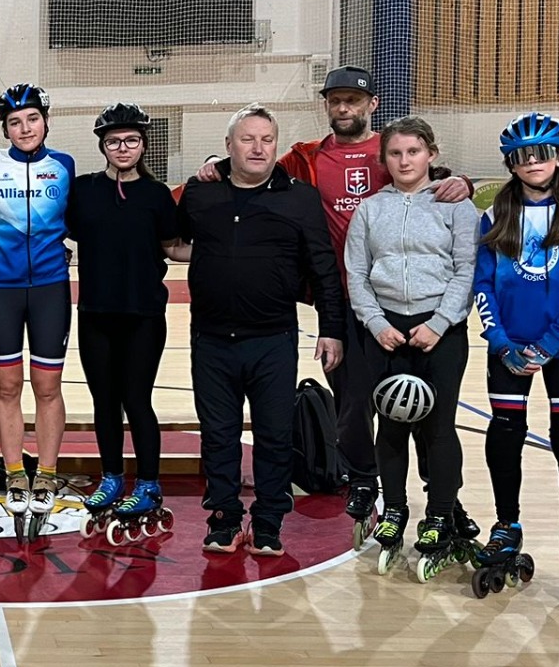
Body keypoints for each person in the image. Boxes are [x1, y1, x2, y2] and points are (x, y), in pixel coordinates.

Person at [194, 65, 472, 524]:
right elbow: (252, 164)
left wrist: (460, 180)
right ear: (326, 105)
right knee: (352, 402)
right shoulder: (305, 158)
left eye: (353, 100)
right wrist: (215, 163)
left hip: (400, 301)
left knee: (421, 404)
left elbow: (429, 179)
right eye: (335, 100)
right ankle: (362, 480)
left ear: (372, 104)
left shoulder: (392, 150)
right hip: (342, 298)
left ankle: (443, 499)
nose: (344, 108)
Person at [175, 105, 345, 556]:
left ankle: (268, 522)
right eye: (247, 139)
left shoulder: (300, 198)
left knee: (274, 435)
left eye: (267, 140)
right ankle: (225, 520)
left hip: (273, 340)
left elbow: (323, 267)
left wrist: (331, 328)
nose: (258, 148)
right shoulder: (200, 192)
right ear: (228, 146)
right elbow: (173, 240)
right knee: (219, 435)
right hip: (211, 340)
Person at [473, 112, 559, 602]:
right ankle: (506, 523)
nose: (533, 162)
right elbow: (483, 283)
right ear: (511, 164)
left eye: (543, 153)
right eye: (522, 156)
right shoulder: (494, 216)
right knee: (505, 430)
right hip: (509, 346)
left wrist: (548, 345)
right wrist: (500, 341)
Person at [342, 117, 480, 579]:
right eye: (396, 153)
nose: (405, 161)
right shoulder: (369, 210)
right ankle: (395, 510)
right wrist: (376, 322)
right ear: (384, 159)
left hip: (440, 330)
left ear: (431, 155)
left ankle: (439, 514)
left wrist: (439, 323)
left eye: (414, 152)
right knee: (391, 424)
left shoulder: (456, 207)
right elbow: (357, 273)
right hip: (386, 332)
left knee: (439, 427)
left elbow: (466, 270)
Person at [65, 104, 181, 542]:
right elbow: (63, 232)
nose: (123, 148)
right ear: (103, 146)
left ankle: (148, 483)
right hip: (95, 313)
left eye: (131, 140)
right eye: (114, 141)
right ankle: (112, 476)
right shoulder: (83, 191)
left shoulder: (156, 195)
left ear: (144, 145)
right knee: (104, 400)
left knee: (137, 398)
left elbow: (173, 246)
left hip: (143, 315)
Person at [0, 82, 76, 537]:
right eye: (15, 122)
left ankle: (48, 473)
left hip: (50, 287)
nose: (24, 128)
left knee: (48, 385)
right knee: (7, 385)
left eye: (32, 119)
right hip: (0, 287)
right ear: (5, 129)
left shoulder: (64, 166)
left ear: (46, 121)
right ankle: (16, 471)